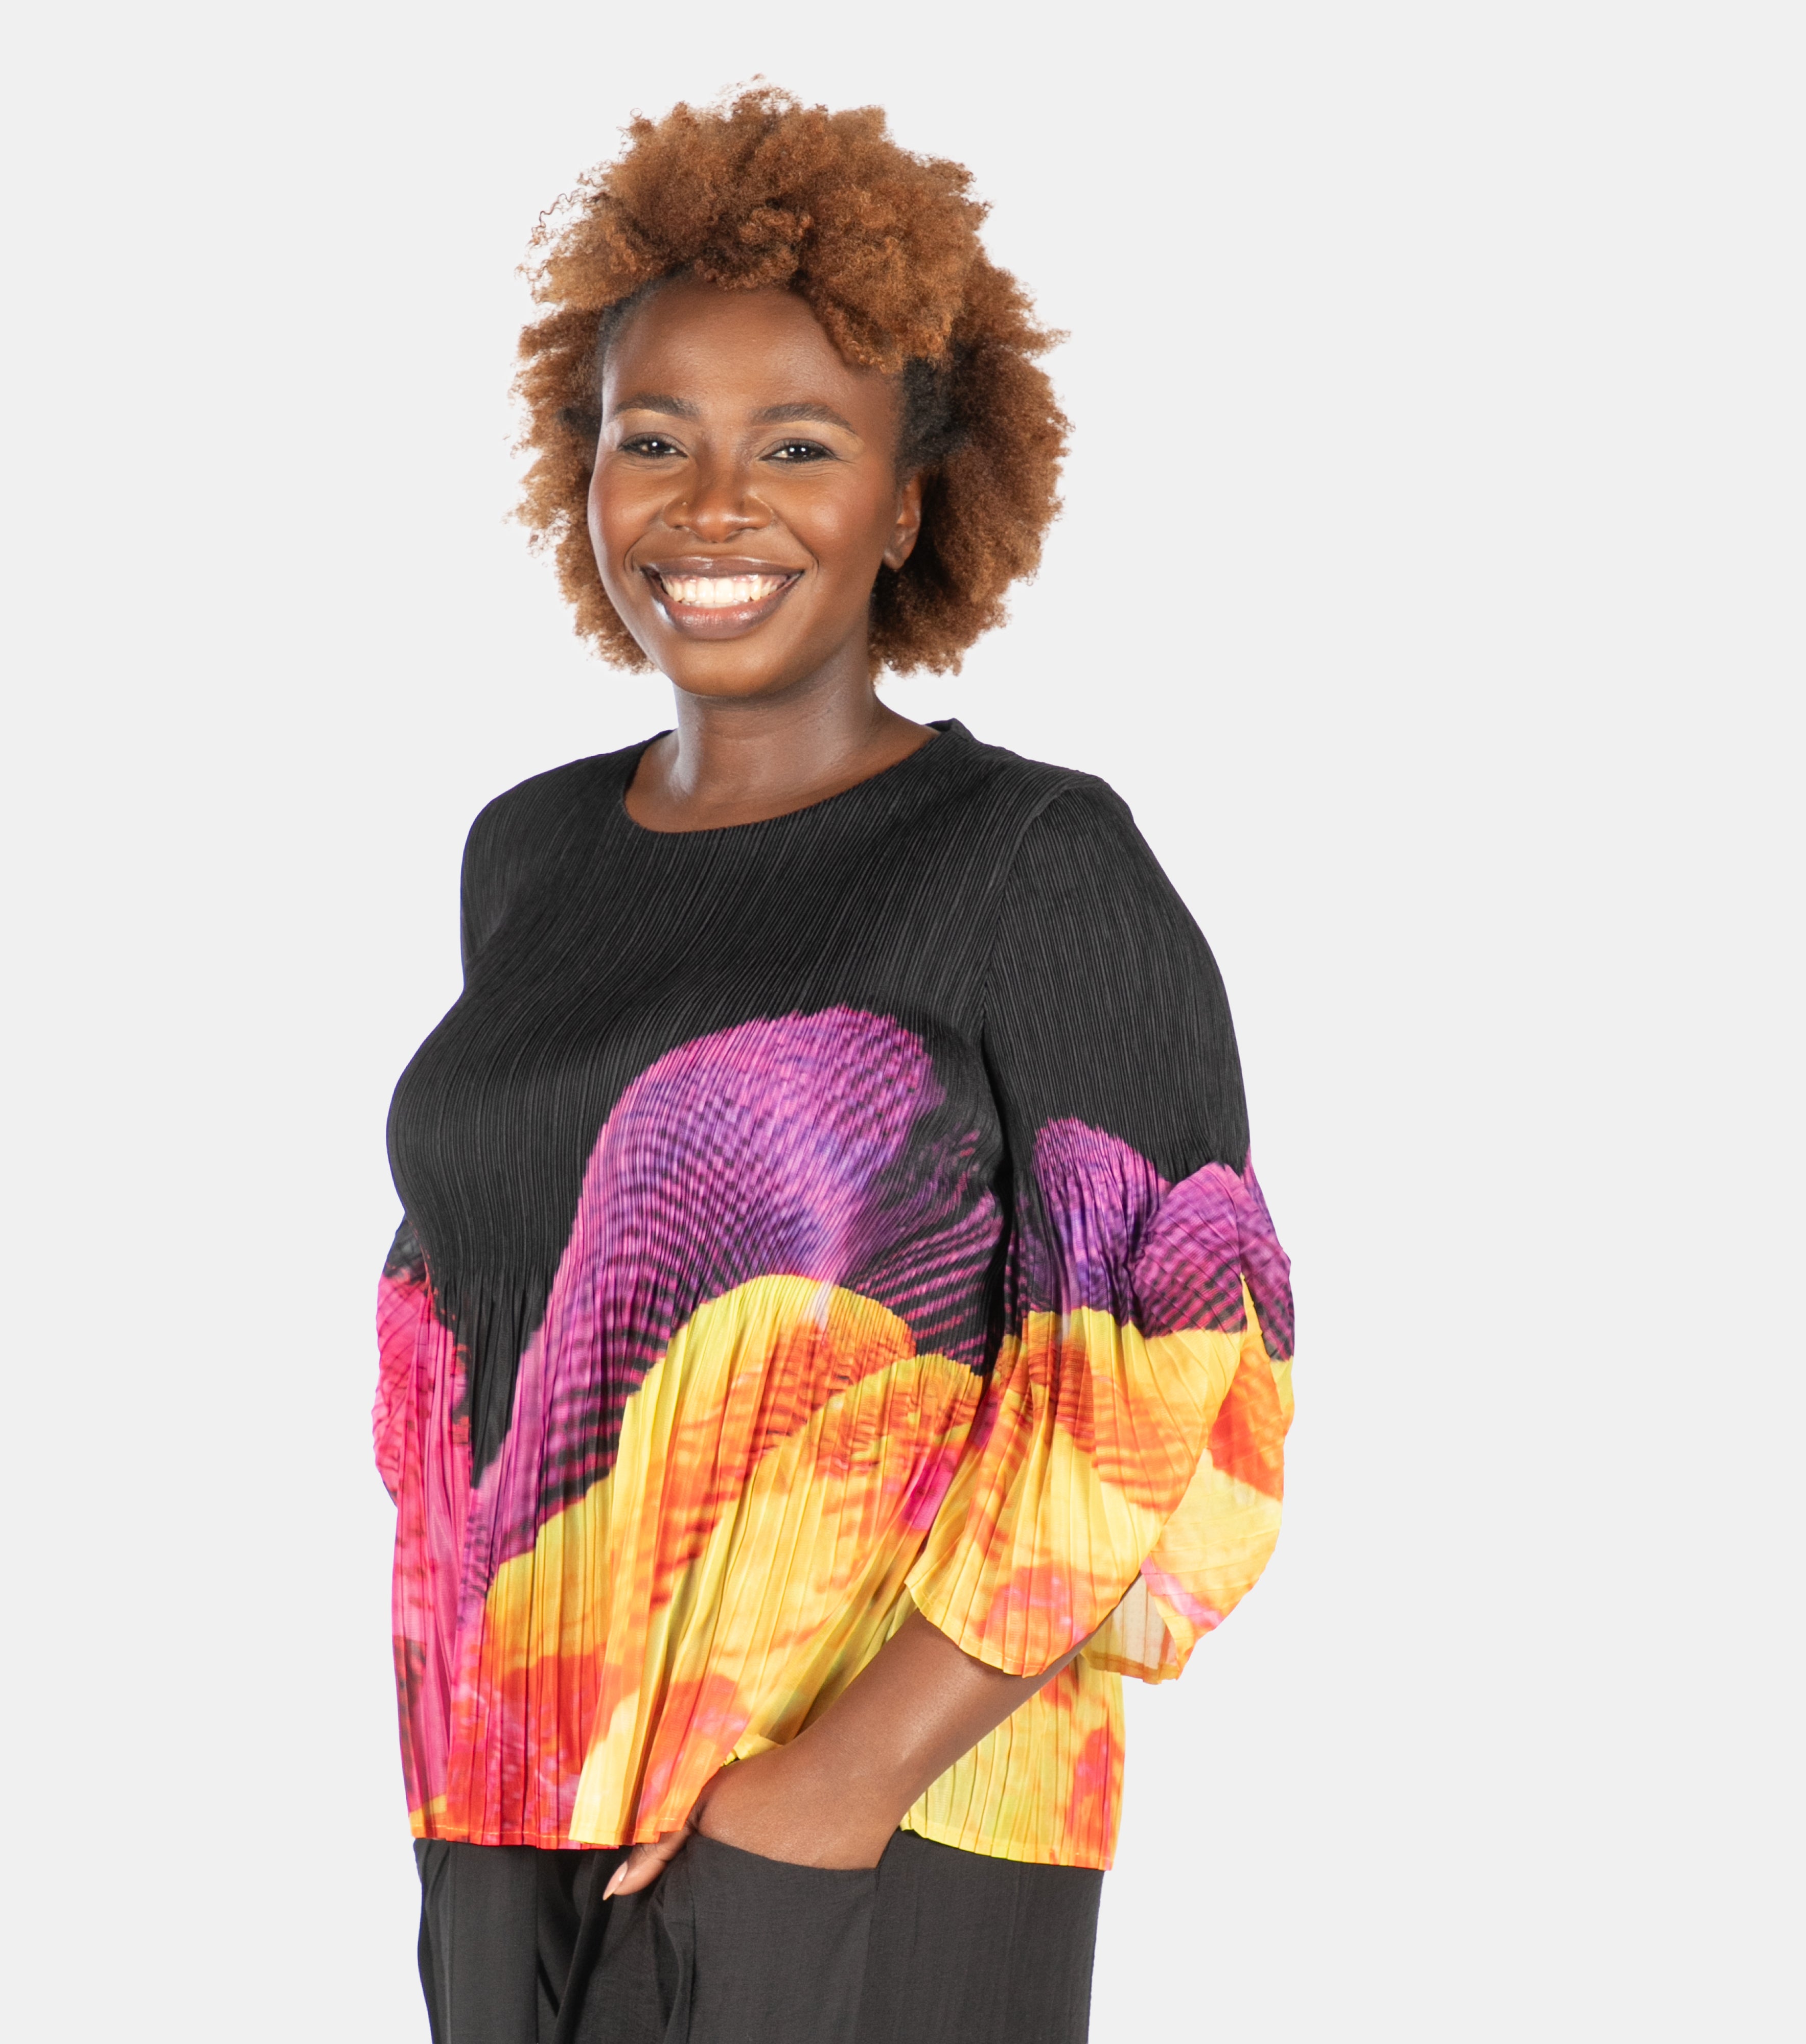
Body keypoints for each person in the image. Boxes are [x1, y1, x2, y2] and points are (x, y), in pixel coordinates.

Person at [374, 87, 1294, 2044]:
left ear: (907, 503)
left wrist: (832, 1790)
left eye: (798, 446)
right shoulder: (526, 855)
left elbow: (1177, 1384)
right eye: (655, 440)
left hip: (870, 1835)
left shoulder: (1029, 860)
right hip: (510, 1803)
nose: (714, 507)